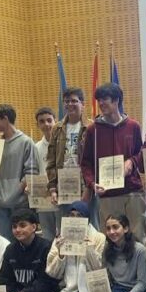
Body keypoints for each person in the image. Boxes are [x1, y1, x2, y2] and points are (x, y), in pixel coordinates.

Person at [81, 83, 146, 244]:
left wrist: (131, 162)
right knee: (111, 240)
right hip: (107, 193)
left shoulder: (133, 126)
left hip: (132, 191)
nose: (101, 104)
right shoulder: (92, 130)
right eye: (99, 100)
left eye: (105, 99)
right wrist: (91, 183)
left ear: (117, 100)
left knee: (137, 237)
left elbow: (141, 153)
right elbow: (86, 162)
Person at [0, 104, 39, 238]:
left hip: (19, 203)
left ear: (5, 119)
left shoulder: (26, 142)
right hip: (1, 202)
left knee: (22, 240)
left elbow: (31, 172)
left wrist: (16, 192)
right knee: (6, 242)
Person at [47, 87, 92, 219]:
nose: (70, 104)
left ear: (82, 104)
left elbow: (94, 160)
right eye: (66, 101)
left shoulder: (90, 127)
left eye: (74, 101)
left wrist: (89, 187)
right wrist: (53, 188)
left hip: (84, 183)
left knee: (89, 222)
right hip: (64, 183)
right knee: (67, 224)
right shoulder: (57, 128)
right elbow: (51, 160)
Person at [33, 106, 60, 240]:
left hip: (62, 196)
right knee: (48, 236)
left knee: (63, 235)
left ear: (56, 121)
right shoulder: (36, 148)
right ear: (37, 125)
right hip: (43, 198)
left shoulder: (64, 145)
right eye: (42, 121)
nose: (46, 124)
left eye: (49, 120)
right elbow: (33, 172)